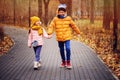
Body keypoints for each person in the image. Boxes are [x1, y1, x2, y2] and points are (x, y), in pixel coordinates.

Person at [47, 4, 80, 69]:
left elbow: (74, 26)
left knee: (68, 48)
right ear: (58, 12)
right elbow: (51, 26)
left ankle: (68, 62)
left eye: (62, 12)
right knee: (61, 50)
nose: (61, 13)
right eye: (60, 12)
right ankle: (63, 62)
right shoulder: (55, 19)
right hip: (59, 37)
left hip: (67, 37)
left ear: (65, 12)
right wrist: (49, 33)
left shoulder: (68, 18)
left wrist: (78, 32)